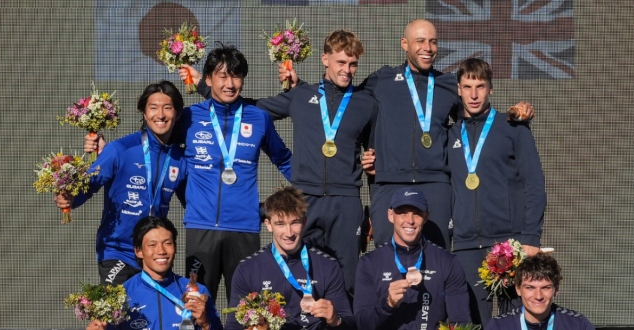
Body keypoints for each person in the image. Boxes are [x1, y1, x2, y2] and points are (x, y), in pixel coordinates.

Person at [283, 19, 534, 250]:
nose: (428, 48)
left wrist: (514, 113)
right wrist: (300, 89)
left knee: (437, 262)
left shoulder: (448, 84)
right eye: (420, 41)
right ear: (405, 44)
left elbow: (476, 121)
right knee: (386, 263)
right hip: (388, 185)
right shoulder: (381, 80)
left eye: (433, 41)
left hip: (435, 186)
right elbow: (343, 104)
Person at [87, 43, 293, 300]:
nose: (230, 84)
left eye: (236, 76)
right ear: (208, 79)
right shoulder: (189, 117)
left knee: (247, 308)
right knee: (197, 306)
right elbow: (156, 143)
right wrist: (106, 149)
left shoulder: (258, 118)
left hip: (245, 229)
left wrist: (310, 195)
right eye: (222, 76)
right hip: (200, 228)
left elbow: (284, 160)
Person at [184, 30, 377, 296]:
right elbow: (246, 106)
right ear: (325, 59)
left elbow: (376, 153)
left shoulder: (367, 103)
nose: (347, 69)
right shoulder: (300, 95)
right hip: (304, 202)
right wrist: (205, 86)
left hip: (346, 202)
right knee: (298, 276)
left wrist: (375, 199)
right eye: (341, 62)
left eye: (352, 64)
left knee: (347, 282)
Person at [447, 57, 547, 326]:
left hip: (508, 243)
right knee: (469, 323)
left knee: (514, 322)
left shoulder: (513, 127)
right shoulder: (450, 134)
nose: (474, 94)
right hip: (466, 246)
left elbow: (534, 183)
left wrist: (531, 236)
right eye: (467, 87)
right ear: (458, 89)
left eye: (480, 86)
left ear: (491, 89)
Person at [59, 81, 187, 284]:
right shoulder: (120, 149)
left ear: (177, 114)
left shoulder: (180, 158)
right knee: (118, 304)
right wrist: (68, 198)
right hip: (118, 252)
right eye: (153, 108)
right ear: (144, 113)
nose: (160, 115)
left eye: (168, 108)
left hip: (154, 254)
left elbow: (193, 202)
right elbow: (86, 187)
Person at [227, 187, 355, 330]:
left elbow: (350, 323)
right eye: (280, 224)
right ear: (268, 225)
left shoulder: (327, 266)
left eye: (295, 222)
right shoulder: (248, 269)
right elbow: (233, 326)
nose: (289, 233)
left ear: (304, 222)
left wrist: (336, 320)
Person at [353, 187, 471, 330]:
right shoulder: (369, 263)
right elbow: (362, 324)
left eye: (417, 214)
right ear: (390, 215)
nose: (410, 220)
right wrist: (388, 304)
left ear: (426, 217)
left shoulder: (447, 262)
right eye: (402, 213)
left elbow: (461, 322)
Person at [85, 216, 221, 330]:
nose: (161, 251)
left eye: (167, 243)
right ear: (138, 251)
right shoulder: (121, 296)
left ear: (175, 247)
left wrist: (205, 324)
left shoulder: (198, 292)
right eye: (152, 245)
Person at [485, 253, 595, 330]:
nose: (538, 296)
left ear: (556, 289)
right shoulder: (499, 326)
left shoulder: (578, 325)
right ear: (518, 289)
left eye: (546, 288)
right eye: (530, 288)